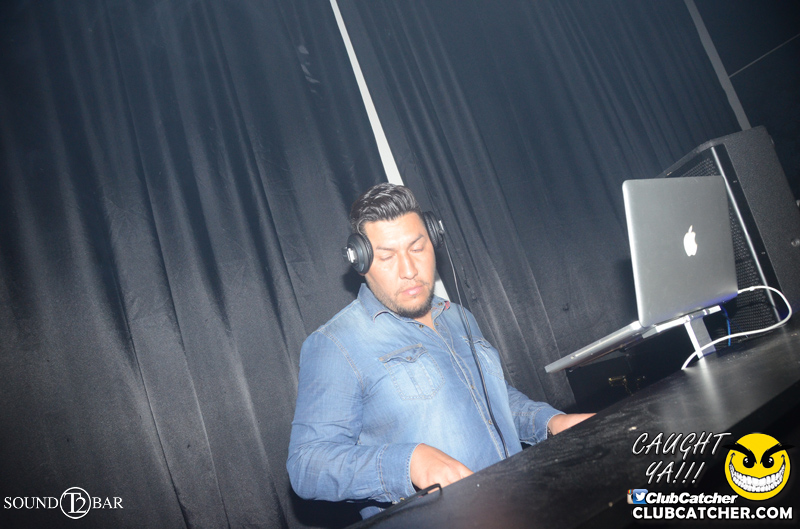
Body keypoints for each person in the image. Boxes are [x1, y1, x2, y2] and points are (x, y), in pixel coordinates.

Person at [287, 183, 592, 518]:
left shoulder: (459, 317)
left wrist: (551, 421)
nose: (409, 270)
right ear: (361, 262)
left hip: (517, 507)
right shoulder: (336, 343)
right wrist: (410, 462)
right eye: (387, 257)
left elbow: (494, 401)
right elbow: (307, 465)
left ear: (434, 241)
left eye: (417, 248)